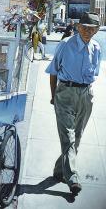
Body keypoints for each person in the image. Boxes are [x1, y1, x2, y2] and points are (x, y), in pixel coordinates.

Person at [45, 12, 102, 195]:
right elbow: (53, 71)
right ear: (78, 27)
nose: (87, 31)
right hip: (65, 93)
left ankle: (60, 170)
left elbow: (93, 74)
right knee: (68, 137)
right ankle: (73, 178)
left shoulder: (96, 47)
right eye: (84, 27)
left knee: (77, 137)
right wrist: (54, 96)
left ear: (96, 30)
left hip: (86, 95)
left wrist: (88, 95)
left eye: (91, 29)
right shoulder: (65, 44)